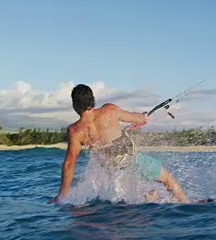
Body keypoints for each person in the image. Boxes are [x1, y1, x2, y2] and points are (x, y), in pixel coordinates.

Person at [48, 84, 190, 204]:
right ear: (92, 99)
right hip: (132, 160)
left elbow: (69, 164)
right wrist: (143, 115)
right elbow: (137, 118)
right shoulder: (109, 110)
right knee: (168, 180)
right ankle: (187, 204)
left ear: (75, 104)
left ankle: (152, 197)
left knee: (137, 194)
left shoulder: (75, 130)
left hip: (112, 171)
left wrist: (62, 196)